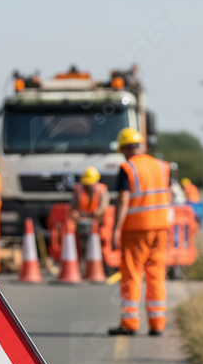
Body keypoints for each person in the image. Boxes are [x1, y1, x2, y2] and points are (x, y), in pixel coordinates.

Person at [109, 128, 171, 336]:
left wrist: (116, 229)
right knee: (156, 273)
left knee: (132, 273)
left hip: (136, 228)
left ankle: (130, 322)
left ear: (125, 149)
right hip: (161, 226)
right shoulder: (162, 166)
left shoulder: (128, 168)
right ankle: (157, 323)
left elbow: (123, 200)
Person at [70, 166, 109, 258]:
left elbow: (104, 205)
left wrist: (98, 213)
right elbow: (73, 205)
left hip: (97, 221)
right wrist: (74, 213)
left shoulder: (101, 189)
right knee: (81, 243)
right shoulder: (78, 189)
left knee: (96, 243)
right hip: (81, 221)